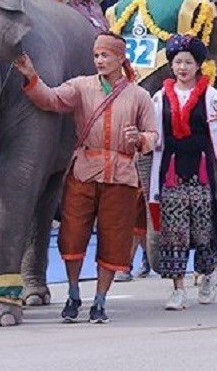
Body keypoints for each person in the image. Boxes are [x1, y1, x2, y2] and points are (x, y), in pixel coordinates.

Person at [14, 33, 158, 324]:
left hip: (121, 175)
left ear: (121, 58)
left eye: (105, 55)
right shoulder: (80, 86)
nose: (100, 61)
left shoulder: (139, 95)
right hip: (84, 171)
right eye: (96, 56)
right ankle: (73, 293)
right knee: (72, 235)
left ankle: (101, 300)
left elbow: (154, 136)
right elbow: (51, 99)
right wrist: (31, 76)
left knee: (114, 239)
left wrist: (139, 138)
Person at [149, 35, 217, 310]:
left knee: (203, 229)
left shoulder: (212, 96)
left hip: (201, 170)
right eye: (178, 62)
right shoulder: (160, 98)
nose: (182, 67)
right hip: (171, 171)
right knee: (174, 231)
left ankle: (207, 276)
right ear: (171, 66)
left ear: (198, 65)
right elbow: (153, 133)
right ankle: (177, 289)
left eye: (188, 62)